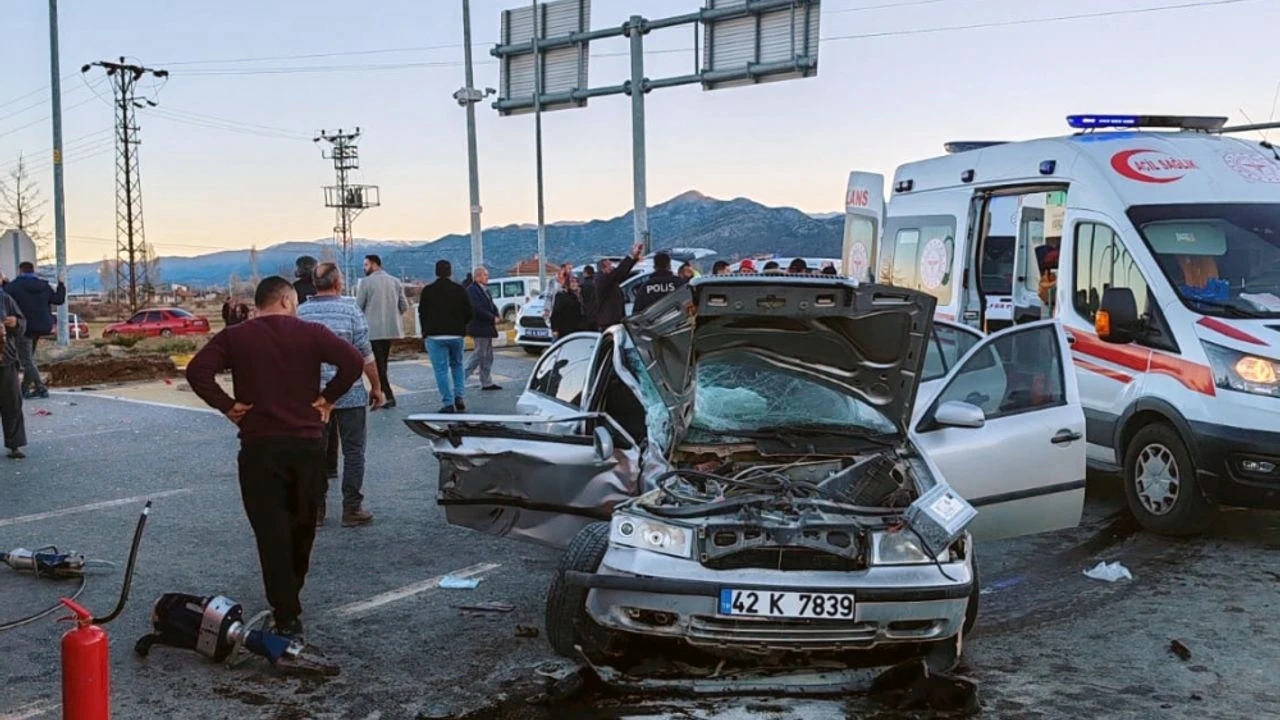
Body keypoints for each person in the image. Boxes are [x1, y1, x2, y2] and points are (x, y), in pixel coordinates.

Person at [185, 276, 364, 641]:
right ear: (285, 300)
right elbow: (352, 360)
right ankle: (289, 597)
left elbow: (197, 371)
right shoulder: (311, 333)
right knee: (302, 527)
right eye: (294, 302)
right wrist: (328, 399)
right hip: (306, 446)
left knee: (270, 532)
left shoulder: (235, 336)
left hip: (259, 449)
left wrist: (228, 406)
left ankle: (285, 610)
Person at [297, 262, 384, 528]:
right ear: (338, 284)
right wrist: (377, 387)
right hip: (350, 392)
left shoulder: (300, 313)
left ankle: (318, 509)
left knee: (316, 453)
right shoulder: (350, 310)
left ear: (314, 284)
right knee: (354, 451)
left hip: (314, 397)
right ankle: (352, 508)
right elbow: (365, 354)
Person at [2, 261, 65, 399]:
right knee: (28, 359)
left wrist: (4, 283)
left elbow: (4, 296)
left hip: (23, 327)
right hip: (42, 326)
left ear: (20, 271)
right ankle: (23, 389)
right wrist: (61, 284)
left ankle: (41, 388)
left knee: (26, 361)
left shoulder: (14, 286)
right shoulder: (44, 286)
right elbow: (59, 300)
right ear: (33, 271)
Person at [417, 260, 473, 413]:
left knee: (441, 370)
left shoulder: (428, 290)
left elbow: (422, 312)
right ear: (450, 272)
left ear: (436, 272)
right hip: (456, 334)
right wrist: (461, 325)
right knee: (457, 365)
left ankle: (448, 403)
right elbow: (469, 311)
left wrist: (425, 331)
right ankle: (459, 397)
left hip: (435, 335)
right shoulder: (459, 289)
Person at [356, 254, 408, 409]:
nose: (364, 268)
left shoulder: (366, 283)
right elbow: (404, 306)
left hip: (372, 330)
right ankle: (383, 393)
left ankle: (387, 395)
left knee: (378, 364)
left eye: (365, 265)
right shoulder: (395, 281)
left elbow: (358, 306)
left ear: (373, 264)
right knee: (382, 362)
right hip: (391, 329)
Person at [464, 267, 502, 392]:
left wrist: (497, 314)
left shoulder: (486, 290)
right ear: (477, 277)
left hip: (487, 327)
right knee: (479, 354)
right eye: (485, 275)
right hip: (479, 327)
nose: (487, 277)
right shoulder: (472, 291)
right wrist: (492, 318)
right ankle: (461, 379)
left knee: (488, 356)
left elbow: (491, 305)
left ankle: (486, 382)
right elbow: (477, 308)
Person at [0, 285, 27, 459]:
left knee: (12, 402)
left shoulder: (6, 299)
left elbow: (22, 322)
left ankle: (14, 444)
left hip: (6, 358)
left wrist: (15, 322)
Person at [591, 243, 643, 329]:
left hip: (614, 319)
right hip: (609, 321)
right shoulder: (602, 279)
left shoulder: (609, 280)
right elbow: (619, 272)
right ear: (604, 268)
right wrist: (632, 256)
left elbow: (622, 274)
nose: (612, 268)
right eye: (610, 266)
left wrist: (634, 260)